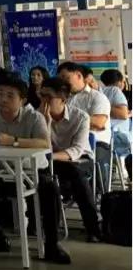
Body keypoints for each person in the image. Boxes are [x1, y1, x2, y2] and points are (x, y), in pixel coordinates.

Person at [0, 77, 51, 252]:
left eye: (10, 96)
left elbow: (44, 143)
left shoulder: (34, 117)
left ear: (23, 100)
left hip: (31, 173)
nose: (3, 99)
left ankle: (52, 244)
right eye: (0, 94)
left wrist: (13, 141)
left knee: (50, 190)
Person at [38, 77, 102, 245]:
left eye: (48, 97)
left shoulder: (80, 117)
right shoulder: (36, 116)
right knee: (45, 180)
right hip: (51, 161)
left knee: (76, 174)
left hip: (80, 160)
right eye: (41, 95)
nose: (43, 101)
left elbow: (77, 150)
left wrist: (50, 156)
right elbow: (39, 147)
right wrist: (45, 123)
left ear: (63, 99)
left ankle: (93, 227)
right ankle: (48, 228)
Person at [58, 62, 112, 165]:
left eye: (66, 78)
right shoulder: (64, 99)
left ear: (79, 75)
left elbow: (98, 123)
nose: (63, 83)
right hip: (69, 142)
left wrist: (68, 119)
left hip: (96, 143)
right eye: (61, 79)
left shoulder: (97, 97)